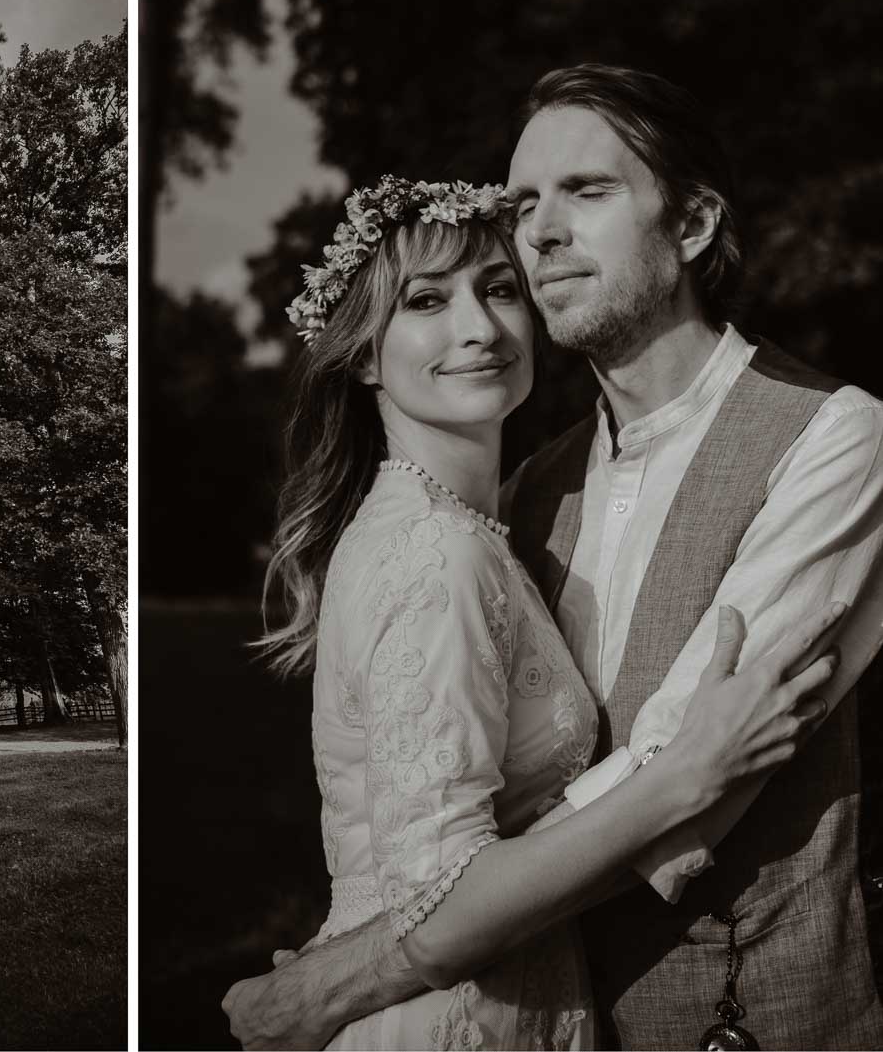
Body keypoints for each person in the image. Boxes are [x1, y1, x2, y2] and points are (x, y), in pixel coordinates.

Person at [224, 67, 883, 1050]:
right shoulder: (530, 487)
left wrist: (343, 972)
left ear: (694, 221)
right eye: (526, 201)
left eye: (587, 191)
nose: (539, 231)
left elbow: (695, 773)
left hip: (746, 1018)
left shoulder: (834, 437)